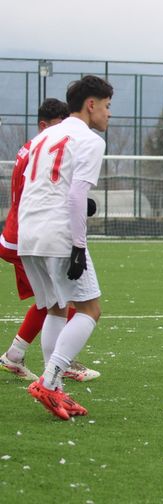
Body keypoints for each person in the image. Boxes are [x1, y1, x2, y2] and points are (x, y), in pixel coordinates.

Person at [18, 75, 113, 420]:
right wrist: (78, 245)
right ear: (91, 104)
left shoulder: (43, 136)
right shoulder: (89, 140)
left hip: (29, 234)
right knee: (90, 310)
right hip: (58, 235)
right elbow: (75, 195)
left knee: (57, 308)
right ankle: (50, 380)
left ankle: (54, 388)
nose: (108, 113)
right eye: (107, 106)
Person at [0, 99, 101, 383]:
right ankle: (54, 367)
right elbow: (53, 192)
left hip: (23, 234)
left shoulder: (33, 146)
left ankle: (34, 365)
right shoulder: (49, 145)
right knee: (72, 305)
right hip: (36, 233)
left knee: (54, 303)